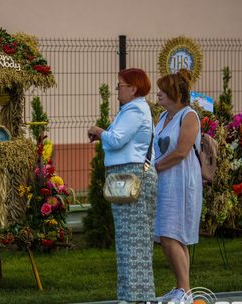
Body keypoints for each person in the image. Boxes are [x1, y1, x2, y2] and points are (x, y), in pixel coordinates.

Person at [88, 68, 157, 304]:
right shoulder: (132, 110)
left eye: (120, 85)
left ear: (133, 88)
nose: (117, 89)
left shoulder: (135, 109)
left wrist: (99, 131)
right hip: (127, 177)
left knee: (133, 239)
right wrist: (104, 135)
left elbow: (117, 139)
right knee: (129, 238)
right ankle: (131, 295)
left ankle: (136, 296)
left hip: (132, 177)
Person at [153, 69, 203, 304]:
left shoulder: (189, 116)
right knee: (167, 236)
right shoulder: (163, 117)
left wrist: (154, 168)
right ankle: (182, 290)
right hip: (164, 181)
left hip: (181, 182)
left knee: (172, 234)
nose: (159, 93)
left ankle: (185, 291)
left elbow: (181, 152)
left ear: (175, 93)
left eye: (163, 90)